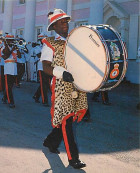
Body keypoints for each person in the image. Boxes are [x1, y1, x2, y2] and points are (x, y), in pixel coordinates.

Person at [41, 9, 87, 169]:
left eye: (66, 21)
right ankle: (73, 158)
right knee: (67, 119)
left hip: (76, 84)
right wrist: (61, 73)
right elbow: (45, 67)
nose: (65, 24)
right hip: (61, 85)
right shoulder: (50, 43)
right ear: (53, 26)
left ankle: (50, 141)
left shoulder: (75, 42)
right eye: (61, 22)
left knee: (68, 118)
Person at [2, 33, 21, 108]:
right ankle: (11, 102)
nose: (11, 42)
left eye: (12, 40)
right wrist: (12, 50)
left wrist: (17, 49)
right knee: (8, 86)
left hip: (14, 68)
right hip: (7, 68)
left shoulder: (14, 47)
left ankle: (4, 98)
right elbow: (5, 56)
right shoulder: (4, 47)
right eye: (9, 40)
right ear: (6, 41)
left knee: (10, 86)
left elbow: (19, 56)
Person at [33, 33, 51, 106]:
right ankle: (44, 101)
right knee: (43, 85)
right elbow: (39, 55)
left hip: (48, 66)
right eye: (42, 39)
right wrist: (46, 49)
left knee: (46, 84)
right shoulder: (38, 47)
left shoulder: (47, 46)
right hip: (41, 67)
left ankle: (36, 96)